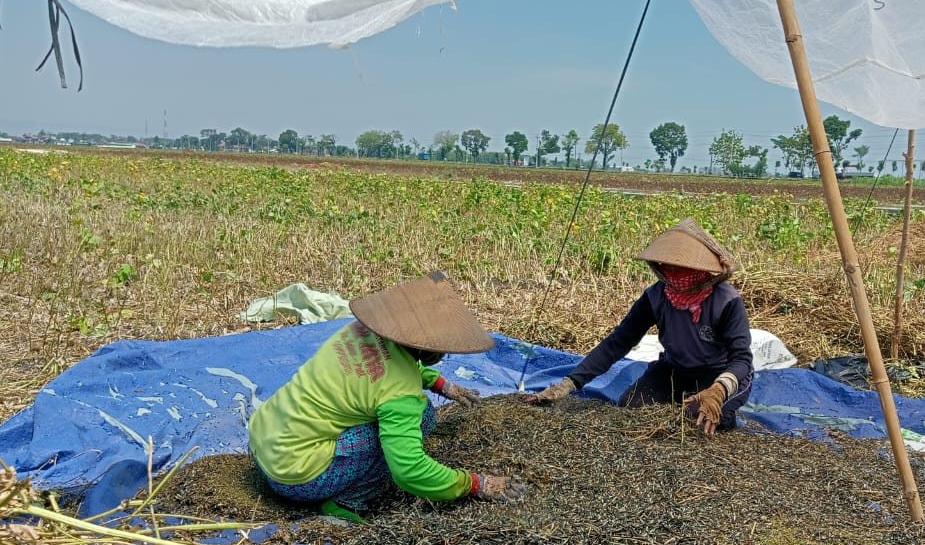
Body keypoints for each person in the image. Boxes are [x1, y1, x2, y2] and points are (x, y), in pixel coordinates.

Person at [248, 271, 526, 524]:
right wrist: (475, 483)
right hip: (295, 478)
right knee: (423, 416)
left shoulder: (358, 331)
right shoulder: (401, 394)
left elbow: (378, 366)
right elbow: (410, 470)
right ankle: (346, 502)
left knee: (406, 413)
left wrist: (441, 384)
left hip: (263, 439)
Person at [526, 218, 753, 434]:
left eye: (679, 268)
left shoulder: (726, 301)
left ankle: (725, 414)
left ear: (698, 270)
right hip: (675, 371)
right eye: (667, 267)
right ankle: (685, 397)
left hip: (718, 375)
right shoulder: (656, 296)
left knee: (696, 420)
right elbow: (619, 342)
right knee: (632, 408)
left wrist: (719, 390)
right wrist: (569, 383)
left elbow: (741, 359)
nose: (672, 275)